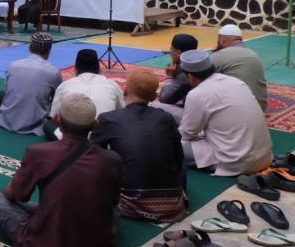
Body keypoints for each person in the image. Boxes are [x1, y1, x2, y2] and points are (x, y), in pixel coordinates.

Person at [0, 94, 121, 247]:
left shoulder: (39, 153)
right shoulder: (111, 159)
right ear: (94, 125)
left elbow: (16, 194)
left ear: (57, 120)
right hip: (93, 243)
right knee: (112, 211)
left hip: (50, 244)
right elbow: (113, 201)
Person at [92, 70, 188, 222]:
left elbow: (94, 160)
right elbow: (179, 159)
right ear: (153, 97)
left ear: (125, 90)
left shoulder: (108, 118)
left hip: (131, 203)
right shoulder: (166, 118)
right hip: (172, 204)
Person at [178, 49, 272, 176]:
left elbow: (187, 134)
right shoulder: (236, 82)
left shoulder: (197, 95)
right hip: (263, 158)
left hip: (235, 161)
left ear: (189, 76)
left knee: (169, 145)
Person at [45, 49, 123, 140]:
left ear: (75, 69)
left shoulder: (65, 85)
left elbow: (54, 117)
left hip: (71, 139)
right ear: (99, 69)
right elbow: (122, 112)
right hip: (103, 138)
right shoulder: (112, 85)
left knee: (48, 125)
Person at [0, 32, 63, 134]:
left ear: (29, 48)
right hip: (35, 123)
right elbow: (56, 101)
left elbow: (9, 90)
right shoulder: (53, 72)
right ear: (49, 51)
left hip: (7, 120)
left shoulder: (13, 65)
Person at [211, 24, 268, 111]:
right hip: (260, 108)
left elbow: (201, 77)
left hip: (237, 110)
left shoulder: (219, 55)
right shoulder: (253, 53)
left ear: (222, 40)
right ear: (240, 39)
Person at [155, 34, 199, 120]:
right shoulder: (202, 64)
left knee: (153, 107)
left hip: (193, 116)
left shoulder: (183, 73)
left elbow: (164, 99)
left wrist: (170, 77)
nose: (170, 53)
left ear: (178, 53)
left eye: (172, 50)